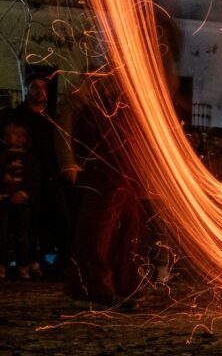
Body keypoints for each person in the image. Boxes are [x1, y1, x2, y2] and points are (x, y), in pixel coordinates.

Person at [57, 78, 145, 308]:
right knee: (99, 229)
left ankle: (123, 282)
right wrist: (68, 163)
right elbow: (65, 128)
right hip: (103, 171)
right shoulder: (86, 101)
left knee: (128, 226)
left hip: (124, 172)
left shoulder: (123, 102)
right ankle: (93, 286)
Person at [0, 74, 70, 271]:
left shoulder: (52, 119)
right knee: (25, 221)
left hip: (48, 174)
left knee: (56, 217)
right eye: (35, 87)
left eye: (43, 87)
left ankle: (53, 260)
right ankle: (24, 260)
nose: (40, 91)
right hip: (22, 177)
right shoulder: (17, 117)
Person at [0, 122, 42, 278]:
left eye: (22, 134)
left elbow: (34, 180)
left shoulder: (31, 158)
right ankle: (2, 264)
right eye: (14, 133)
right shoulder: (2, 156)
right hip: (2, 200)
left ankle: (23, 264)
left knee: (23, 233)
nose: (18, 137)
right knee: (1, 233)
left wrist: (25, 193)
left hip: (23, 201)